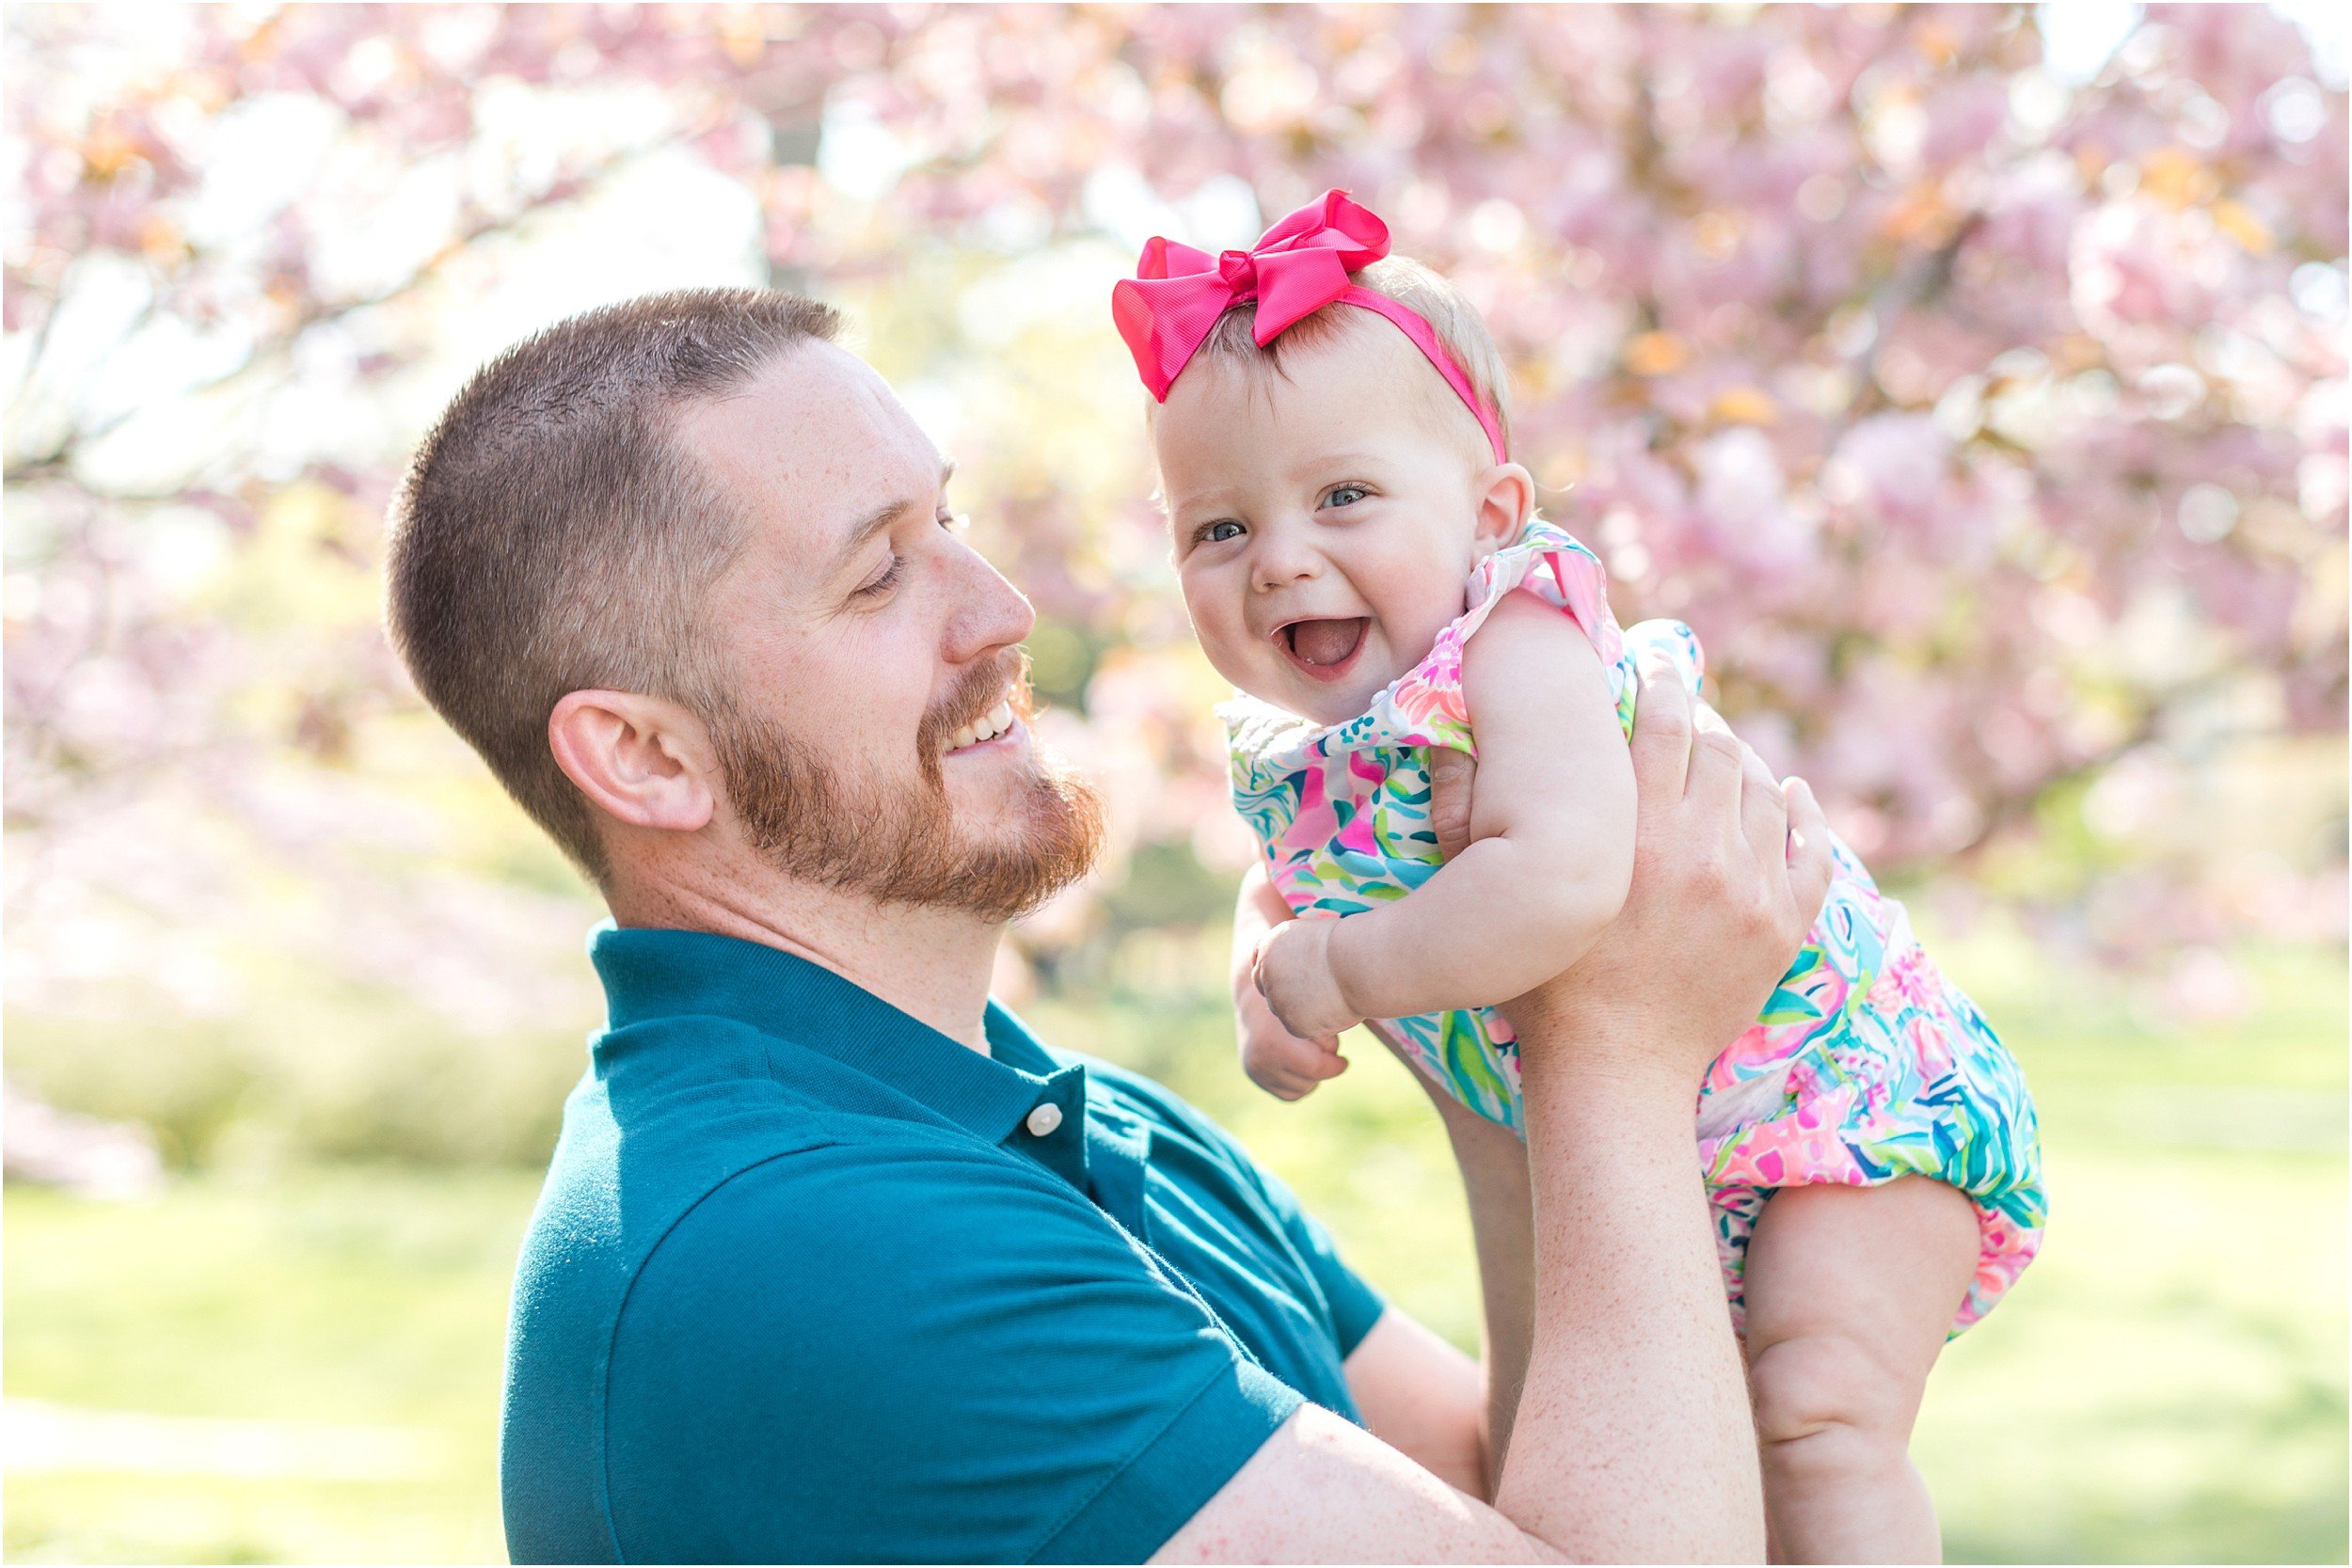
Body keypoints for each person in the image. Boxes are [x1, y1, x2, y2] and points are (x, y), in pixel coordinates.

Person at [384, 285, 1831, 1563]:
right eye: (881, 572)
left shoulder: (1070, 1127)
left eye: (945, 520)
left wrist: (1499, 1033)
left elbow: (1541, 1500)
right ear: (644, 757)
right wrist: (1618, 1049)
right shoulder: (811, 1251)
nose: (1003, 610)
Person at [1116, 190, 2045, 1561]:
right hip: (1657, 1131)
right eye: (1220, 530)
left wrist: (1348, 972)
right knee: (1689, 1442)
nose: (1283, 559)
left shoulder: (1517, 634)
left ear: (1490, 513)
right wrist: (1267, 970)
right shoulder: (1299, 746)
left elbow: (1558, 879)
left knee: (1815, 1422)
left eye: (1345, 497)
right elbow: (1297, 888)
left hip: (1846, 1106)